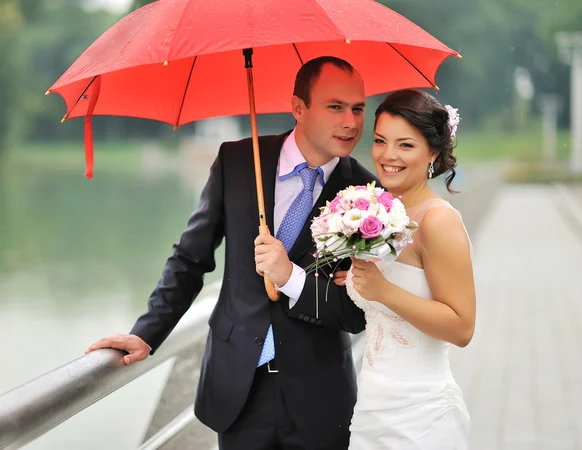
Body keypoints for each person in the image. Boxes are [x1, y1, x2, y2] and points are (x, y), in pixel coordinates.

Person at [86, 56, 378, 450]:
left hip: (319, 396)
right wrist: (146, 334)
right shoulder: (239, 162)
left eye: (358, 109)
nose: (351, 122)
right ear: (298, 108)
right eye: (335, 107)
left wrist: (291, 277)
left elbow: (357, 312)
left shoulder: (368, 197)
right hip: (238, 387)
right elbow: (190, 260)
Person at [334, 89, 476, 449]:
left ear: (432, 152)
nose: (387, 156)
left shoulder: (437, 222)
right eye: (380, 141)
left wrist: (385, 291)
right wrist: (353, 278)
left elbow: (462, 327)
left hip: (420, 415)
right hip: (371, 407)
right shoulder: (379, 215)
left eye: (405, 145)